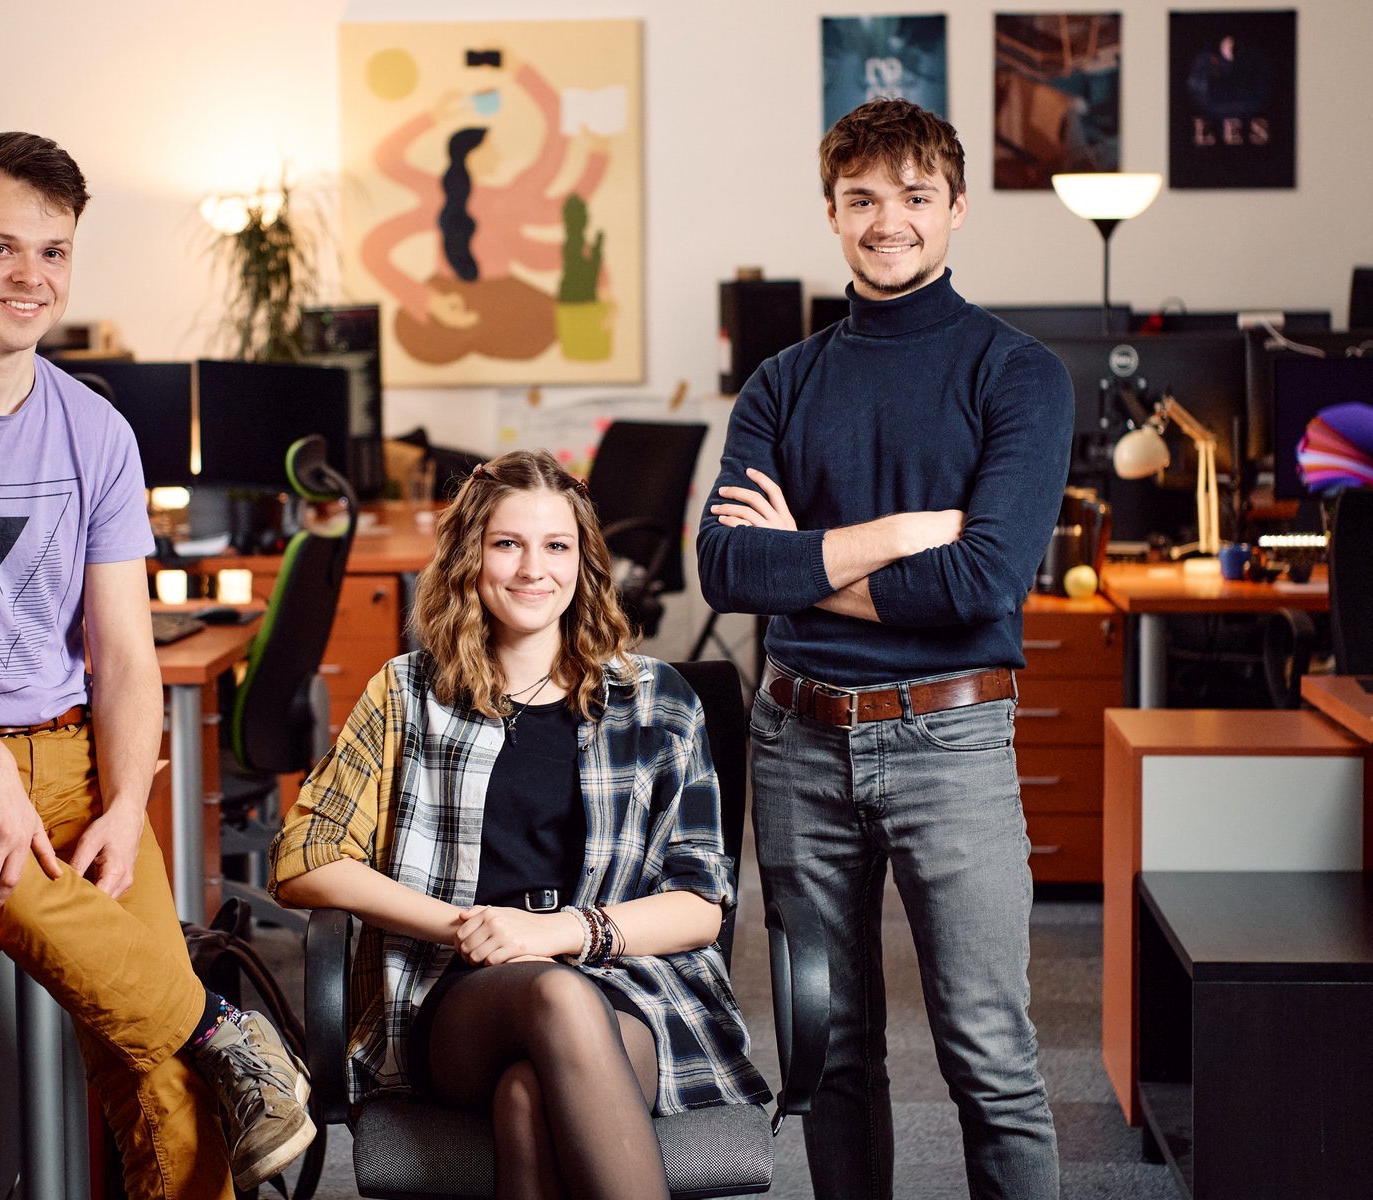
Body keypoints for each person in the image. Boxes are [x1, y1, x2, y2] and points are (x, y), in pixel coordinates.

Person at [0, 131, 314, 1200]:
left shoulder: (96, 431)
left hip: (72, 762)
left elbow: (123, 654)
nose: (30, 275)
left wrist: (124, 804)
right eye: (1, 248)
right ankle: (227, 1028)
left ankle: (209, 1047)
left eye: (53, 251)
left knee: (170, 1089)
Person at [696, 99, 1072, 1200]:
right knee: (829, 1058)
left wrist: (804, 564)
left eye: (914, 196)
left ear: (956, 208)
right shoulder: (782, 381)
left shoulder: (1018, 374)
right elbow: (726, 567)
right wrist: (903, 536)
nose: (887, 220)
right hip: (797, 742)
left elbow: (982, 583)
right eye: (861, 199)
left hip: (950, 740)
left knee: (989, 1057)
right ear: (832, 213)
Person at [270, 450, 768, 1200]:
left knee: (527, 1102)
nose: (534, 569)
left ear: (583, 563)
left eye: (556, 545)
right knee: (556, 998)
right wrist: (469, 928)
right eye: (508, 543)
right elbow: (304, 860)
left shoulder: (658, 701)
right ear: (471, 557)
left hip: (627, 990)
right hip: (459, 998)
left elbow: (701, 907)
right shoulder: (409, 694)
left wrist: (558, 933)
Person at [360, 61, 609, 365]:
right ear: (471, 154)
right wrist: (429, 302)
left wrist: (517, 68)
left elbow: (560, 165)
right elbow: (386, 164)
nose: (500, 155)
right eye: (491, 148)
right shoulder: (439, 197)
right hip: (455, 296)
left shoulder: (512, 199)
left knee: (548, 322)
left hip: (502, 299)